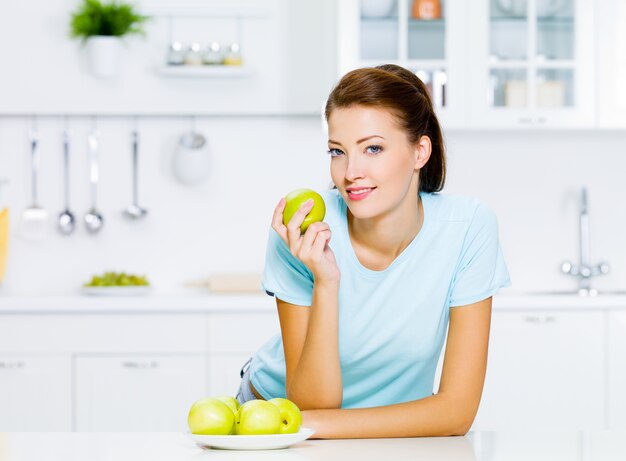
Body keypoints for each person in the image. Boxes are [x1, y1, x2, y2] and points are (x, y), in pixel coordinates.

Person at [235, 64, 510, 439]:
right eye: (337, 151)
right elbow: (311, 403)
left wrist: (310, 425)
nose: (351, 172)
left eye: (373, 148)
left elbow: (457, 412)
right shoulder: (302, 228)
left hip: (333, 429)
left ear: (420, 152)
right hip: (278, 423)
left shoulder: (468, 228)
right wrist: (326, 283)